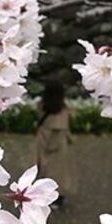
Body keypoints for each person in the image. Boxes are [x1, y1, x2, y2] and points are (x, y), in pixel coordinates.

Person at [36, 80, 76, 208]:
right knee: (59, 170)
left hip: (43, 138)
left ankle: (43, 194)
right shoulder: (63, 108)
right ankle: (58, 197)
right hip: (60, 140)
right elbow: (70, 118)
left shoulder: (42, 105)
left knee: (43, 166)